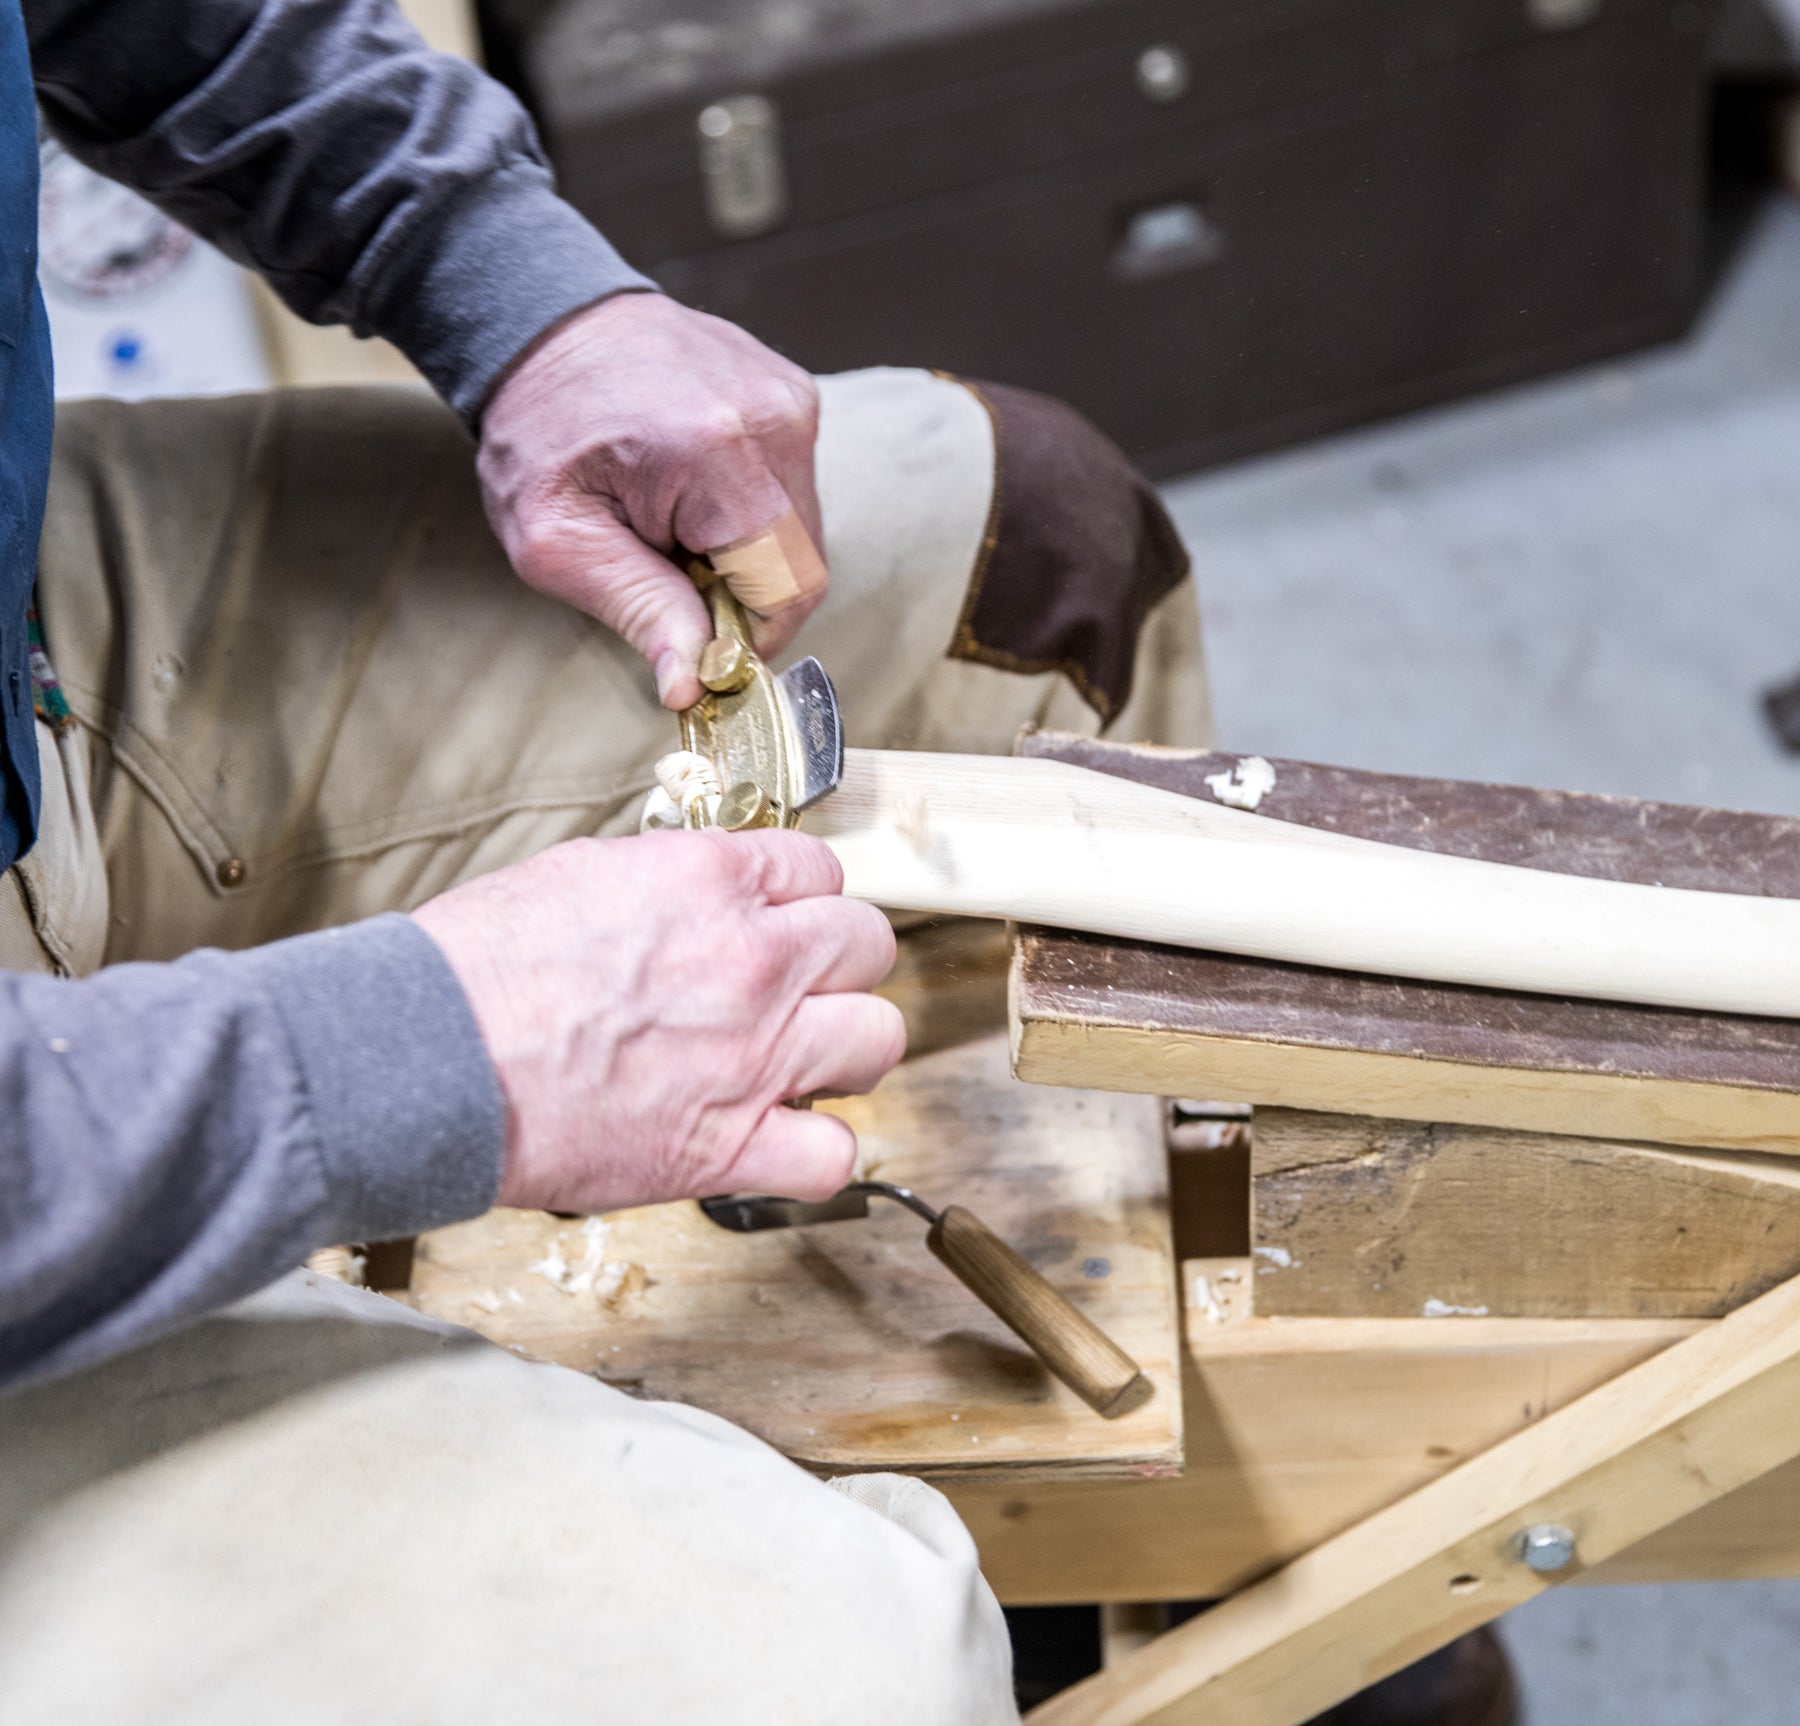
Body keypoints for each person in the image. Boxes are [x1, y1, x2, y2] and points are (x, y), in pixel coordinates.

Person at [0, 1, 1207, 1720]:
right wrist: (409, 1056)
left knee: (1027, 549)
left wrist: (505, 278)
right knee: (837, 1670)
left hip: (24, 656)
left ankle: (1232, 1531)